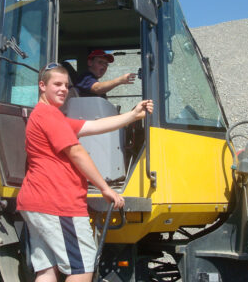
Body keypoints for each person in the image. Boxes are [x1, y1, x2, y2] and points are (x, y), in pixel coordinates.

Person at [17, 62, 153, 282]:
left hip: (35, 204)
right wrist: (105, 188)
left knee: (47, 270)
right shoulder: (49, 116)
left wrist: (132, 115)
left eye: (66, 85)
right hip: (58, 204)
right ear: (42, 85)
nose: (63, 89)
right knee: (81, 269)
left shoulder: (48, 116)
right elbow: (77, 152)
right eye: (57, 84)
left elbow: (93, 126)